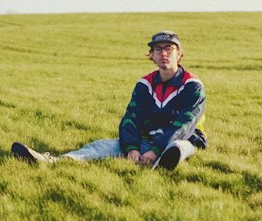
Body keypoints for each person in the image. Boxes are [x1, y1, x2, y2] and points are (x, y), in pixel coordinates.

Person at [11, 31, 207, 171]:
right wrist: (131, 147)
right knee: (102, 146)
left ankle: (161, 162)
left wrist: (155, 150)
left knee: (179, 147)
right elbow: (131, 117)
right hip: (147, 139)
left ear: (179, 54)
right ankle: (51, 161)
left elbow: (185, 124)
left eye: (169, 49)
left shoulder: (193, 85)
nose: (163, 54)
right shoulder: (144, 84)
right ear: (152, 56)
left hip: (184, 138)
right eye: (158, 50)